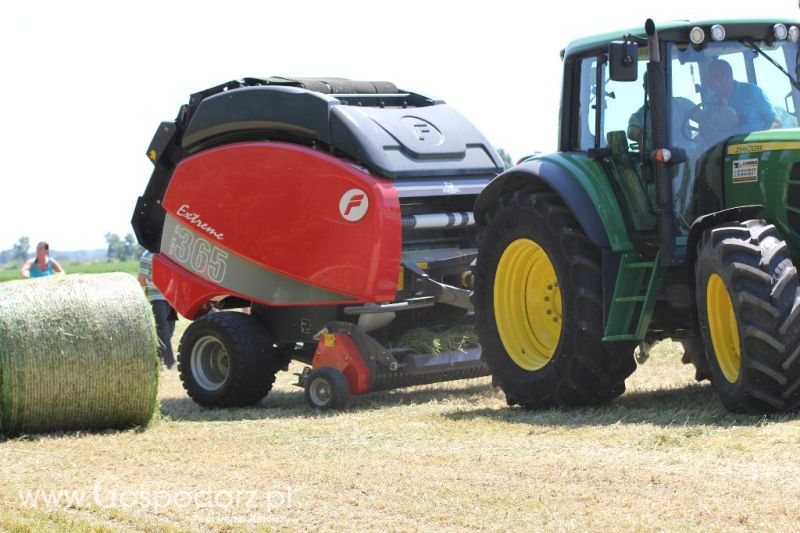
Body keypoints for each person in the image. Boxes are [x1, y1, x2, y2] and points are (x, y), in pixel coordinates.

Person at [703, 58, 779, 133]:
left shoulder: (752, 91)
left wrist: (766, 142)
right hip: (726, 145)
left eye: (710, 78)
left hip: (755, 144)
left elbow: (775, 122)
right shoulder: (711, 101)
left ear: (722, 76)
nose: (708, 82)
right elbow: (707, 130)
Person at [138, 250, 177, 369]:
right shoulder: (147, 256)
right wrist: (145, 297)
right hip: (156, 299)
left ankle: (157, 360)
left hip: (170, 299)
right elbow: (141, 279)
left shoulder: (169, 254)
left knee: (170, 329)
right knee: (163, 331)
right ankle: (170, 363)